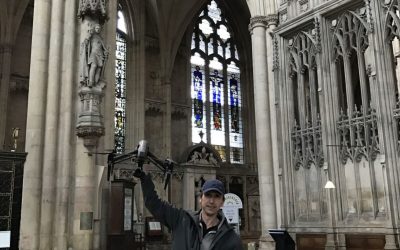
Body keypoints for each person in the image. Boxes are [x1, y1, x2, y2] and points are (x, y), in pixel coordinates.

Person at [134, 169, 243, 250]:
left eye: (216, 196)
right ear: (201, 198)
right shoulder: (181, 219)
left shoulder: (232, 238)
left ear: (222, 202)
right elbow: (154, 204)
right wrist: (145, 179)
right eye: (208, 195)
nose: (211, 201)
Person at [80, 23, 108, 87]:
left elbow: (103, 47)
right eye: (97, 28)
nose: (98, 30)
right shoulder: (92, 36)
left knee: (99, 69)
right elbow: (86, 42)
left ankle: (95, 83)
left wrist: (105, 52)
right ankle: (90, 82)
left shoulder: (101, 38)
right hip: (93, 54)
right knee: (94, 66)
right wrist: (88, 35)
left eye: (99, 29)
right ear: (95, 29)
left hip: (100, 55)